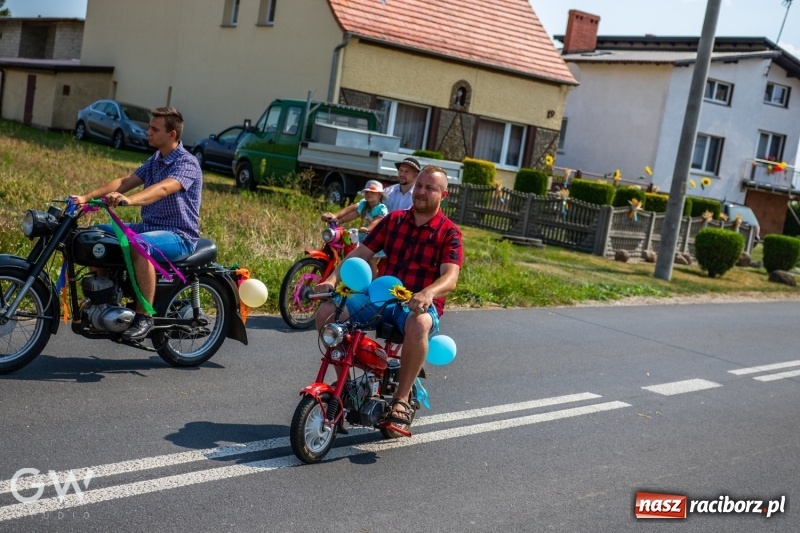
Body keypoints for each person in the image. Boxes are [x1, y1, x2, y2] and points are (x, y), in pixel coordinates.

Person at [314, 165, 463, 431]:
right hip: (380, 298)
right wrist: (332, 280)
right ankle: (347, 388)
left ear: (444, 194)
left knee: (418, 324)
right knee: (327, 312)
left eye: (430, 188)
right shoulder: (392, 221)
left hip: (418, 305)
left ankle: (401, 399)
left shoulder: (449, 232)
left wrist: (428, 292)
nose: (421, 192)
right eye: (419, 186)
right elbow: (359, 255)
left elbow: (450, 277)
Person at [72, 107, 202, 341]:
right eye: (149, 127)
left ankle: (145, 316)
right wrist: (85, 198)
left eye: (154, 129)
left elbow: (163, 188)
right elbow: (125, 181)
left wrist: (129, 200)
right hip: (150, 227)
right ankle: (104, 300)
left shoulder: (187, 163)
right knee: (95, 235)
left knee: (139, 244)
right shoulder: (155, 160)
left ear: (172, 135)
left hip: (179, 235)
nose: (148, 131)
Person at [320, 179, 389, 234]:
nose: (369, 194)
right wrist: (338, 219)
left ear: (379, 195)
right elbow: (352, 211)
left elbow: (377, 220)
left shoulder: (381, 208)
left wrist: (368, 228)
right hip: (366, 233)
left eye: (372, 192)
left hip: (378, 234)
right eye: (367, 192)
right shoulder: (364, 204)